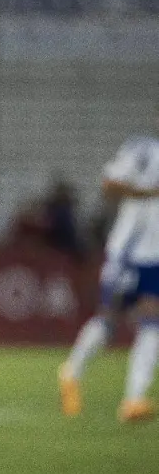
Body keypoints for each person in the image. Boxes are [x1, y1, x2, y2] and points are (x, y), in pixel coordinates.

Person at [59, 129, 159, 423]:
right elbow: (110, 184)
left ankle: (134, 399)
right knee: (109, 321)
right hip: (129, 251)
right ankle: (70, 372)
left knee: (153, 320)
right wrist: (149, 192)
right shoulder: (142, 150)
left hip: (156, 256)